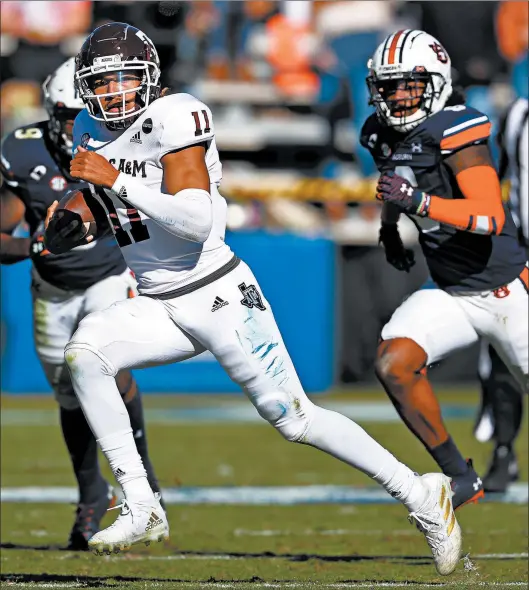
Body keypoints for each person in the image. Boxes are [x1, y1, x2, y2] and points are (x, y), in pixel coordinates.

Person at [43, 22, 462, 575]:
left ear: (149, 77)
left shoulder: (175, 115)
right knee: (86, 355)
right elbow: (102, 203)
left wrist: (115, 181)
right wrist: (75, 217)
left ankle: (419, 493)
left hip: (217, 295)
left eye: (125, 78)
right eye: (102, 82)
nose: (114, 92)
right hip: (158, 301)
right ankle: (142, 505)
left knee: (294, 419)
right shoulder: (91, 130)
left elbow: (196, 220)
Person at [362, 30, 528, 510]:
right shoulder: (379, 132)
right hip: (451, 289)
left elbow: (489, 216)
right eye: (389, 86)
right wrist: (390, 227)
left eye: (409, 85)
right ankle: (460, 475)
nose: (397, 96)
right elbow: (397, 180)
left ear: (435, 81)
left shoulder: (456, 126)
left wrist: (418, 203)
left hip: (505, 291)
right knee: (394, 363)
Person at [0, 58, 161, 550]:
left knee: (109, 370)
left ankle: (144, 484)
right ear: (52, 115)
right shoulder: (22, 153)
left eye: (85, 114)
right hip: (53, 288)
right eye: (69, 117)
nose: (79, 126)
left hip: (110, 276)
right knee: (70, 394)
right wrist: (36, 246)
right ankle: (92, 489)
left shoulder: (125, 145)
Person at [473, 96, 528, 492]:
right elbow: (496, 181)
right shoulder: (517, 114)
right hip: (520, 253)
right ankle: (504, 450)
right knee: (501, 351)